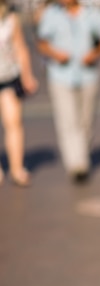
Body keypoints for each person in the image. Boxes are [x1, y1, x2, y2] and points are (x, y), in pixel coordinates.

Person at [36, 0, 100, 183]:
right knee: (67, 120)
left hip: (88, 75)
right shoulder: (51, 14)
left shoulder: (92, 14)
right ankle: (77, 165)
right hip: (60, 76)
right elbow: (42, 42)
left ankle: (81, 154)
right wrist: (56, 54)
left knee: (85, 121)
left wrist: (94, 55)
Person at [0, 0, 38, 186]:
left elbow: (20, 47)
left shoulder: (10, 19)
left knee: (13, 122)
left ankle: (17, 168)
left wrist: (27, 75)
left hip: (8, 75)